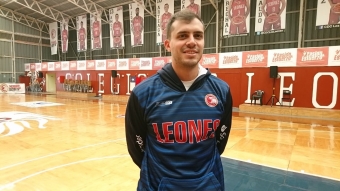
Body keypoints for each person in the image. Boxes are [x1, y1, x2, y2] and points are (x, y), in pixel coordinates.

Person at [125, 9, 233, 191]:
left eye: (198, 36)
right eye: (183, 35)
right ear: (168, 44)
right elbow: (137, 148)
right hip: (158, 186)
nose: (192, 41)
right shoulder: (143, 93)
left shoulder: (221, 90)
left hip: (208, 186)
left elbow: (219, 142)